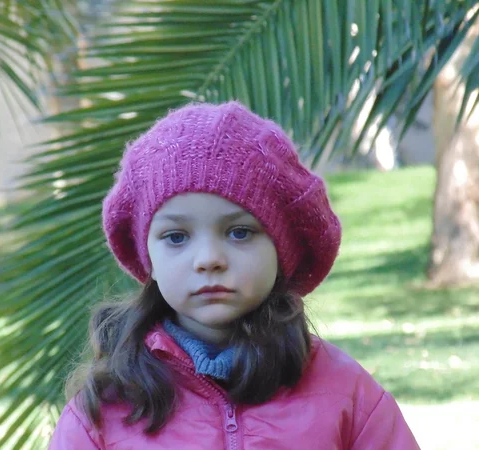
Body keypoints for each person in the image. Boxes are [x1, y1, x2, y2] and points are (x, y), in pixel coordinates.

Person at [48, 101, 420, 449]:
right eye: (176, 237)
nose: (208, 259)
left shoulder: (347, 394)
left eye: (239, 232)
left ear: (282, 249)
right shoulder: (104, 408)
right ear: (149, 259)